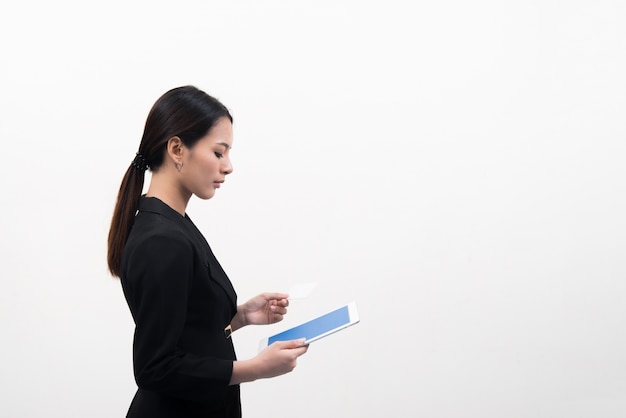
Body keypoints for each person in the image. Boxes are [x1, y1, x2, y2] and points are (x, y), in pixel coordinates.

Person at [107, 85, 308, 417]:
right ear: (177, 149)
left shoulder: (174, 225)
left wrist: (240, 317)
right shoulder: (161, 240)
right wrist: (255, 368)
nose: (228, 166)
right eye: (219, 152)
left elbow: (185, 330)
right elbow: (155, 368)